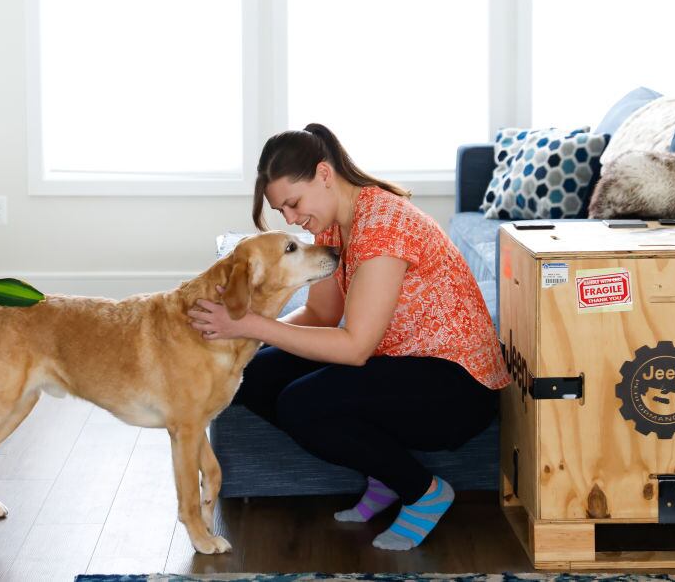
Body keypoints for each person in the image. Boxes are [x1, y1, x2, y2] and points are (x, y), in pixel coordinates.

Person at [187, 123, 510, 550]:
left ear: (324, 174)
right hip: (399, 362)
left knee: (302, 405)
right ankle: (385, 474)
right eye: (282, 210)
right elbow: (322, 314)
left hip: (457, 386)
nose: (290, 219)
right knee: (254, 376)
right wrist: (244, 343)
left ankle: (423, 491)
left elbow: (355, 347)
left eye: (293, 203)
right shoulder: (334, 224)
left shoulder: (382, 224)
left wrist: (251, 325)